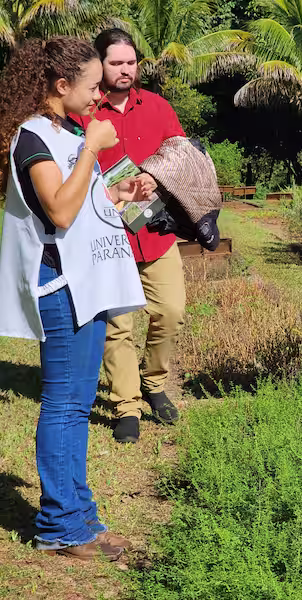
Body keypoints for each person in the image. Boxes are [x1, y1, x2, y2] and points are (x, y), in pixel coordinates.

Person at [0, 38, 147, 559]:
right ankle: (60, 526)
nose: (98, 94)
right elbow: (58, 212)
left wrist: (117, 195)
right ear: (61, 87)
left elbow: (80, 200)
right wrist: (92, 150)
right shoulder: (33, 139)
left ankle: (80, 515)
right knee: (64, 404)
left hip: (86, 282)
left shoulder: (67, 130)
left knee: (78, 405)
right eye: (90, 86)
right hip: (60, 288)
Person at [75, 29, 188, 444]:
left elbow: (181, 157)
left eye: (130, 62)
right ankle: (127, 404)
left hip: (156, 230)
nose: (125, 70)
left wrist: (157, 181)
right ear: (99, 65)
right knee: (116, 325)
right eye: (115, 63)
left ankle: (154, 382)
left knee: (171, 310)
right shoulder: (85, 111)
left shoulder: (158, 106)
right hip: (109, 234)